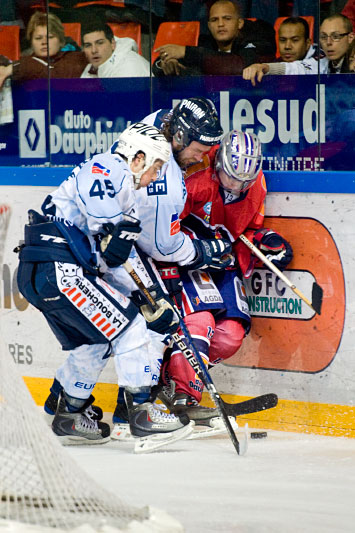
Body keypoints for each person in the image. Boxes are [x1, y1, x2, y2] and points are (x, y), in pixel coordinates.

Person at [16, 122, 197, 451]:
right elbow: (106, 228)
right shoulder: (109, 165)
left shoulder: (126, 196)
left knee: (95, 340)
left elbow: (116, 258)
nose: (157, 176)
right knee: (132, 326)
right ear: (138, 158)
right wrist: (112, 229)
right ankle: (142, 414)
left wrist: (152, 297)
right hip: (59, 266)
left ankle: (66, 412)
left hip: (42, 271)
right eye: (156, 167)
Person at [107, 98, 241, 438]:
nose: (202, 158)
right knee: (156, 319)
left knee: (136, 325)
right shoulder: (164, 182)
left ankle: (120, 407)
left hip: (108, 232)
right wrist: (202, 250)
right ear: (179, 137)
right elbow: (162, 246)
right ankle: (134, 413)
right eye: (199, 149)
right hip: (120, 245)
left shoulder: (161, 120)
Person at [156, 130, 293, 417]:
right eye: (232, 178)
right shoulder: (193, 177)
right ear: (219, 164)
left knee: (230, 335)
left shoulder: (255, 185)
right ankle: (186, 395)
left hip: (222, 262)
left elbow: (244, 231)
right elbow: (161, 232)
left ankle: (172, 372)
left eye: (246, 181)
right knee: (200, 321)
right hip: (187, 259)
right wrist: (195, 250)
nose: (238, 186)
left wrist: (261, 241)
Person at [152, 0, 276, 77]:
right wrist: (165, 64)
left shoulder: (256, 38)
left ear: (240, 23)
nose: (220, 24)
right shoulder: (206, 44)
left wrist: (186, 52)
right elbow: (158, 67)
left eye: (227, 18)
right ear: (209, 25)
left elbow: (239, 66)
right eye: (214, 20)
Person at [243, 13, 355, 85]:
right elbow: (297, 68)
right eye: (323, 37)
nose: (328, 43)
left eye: (335, 37)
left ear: (350, 38)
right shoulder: (323, 62)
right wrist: (265, 67)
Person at [80, 21, 151, 78]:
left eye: (100, 43)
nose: (94, 50)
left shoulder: (129, 67)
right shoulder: (92, 67)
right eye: (88, 45)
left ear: (113, 44)